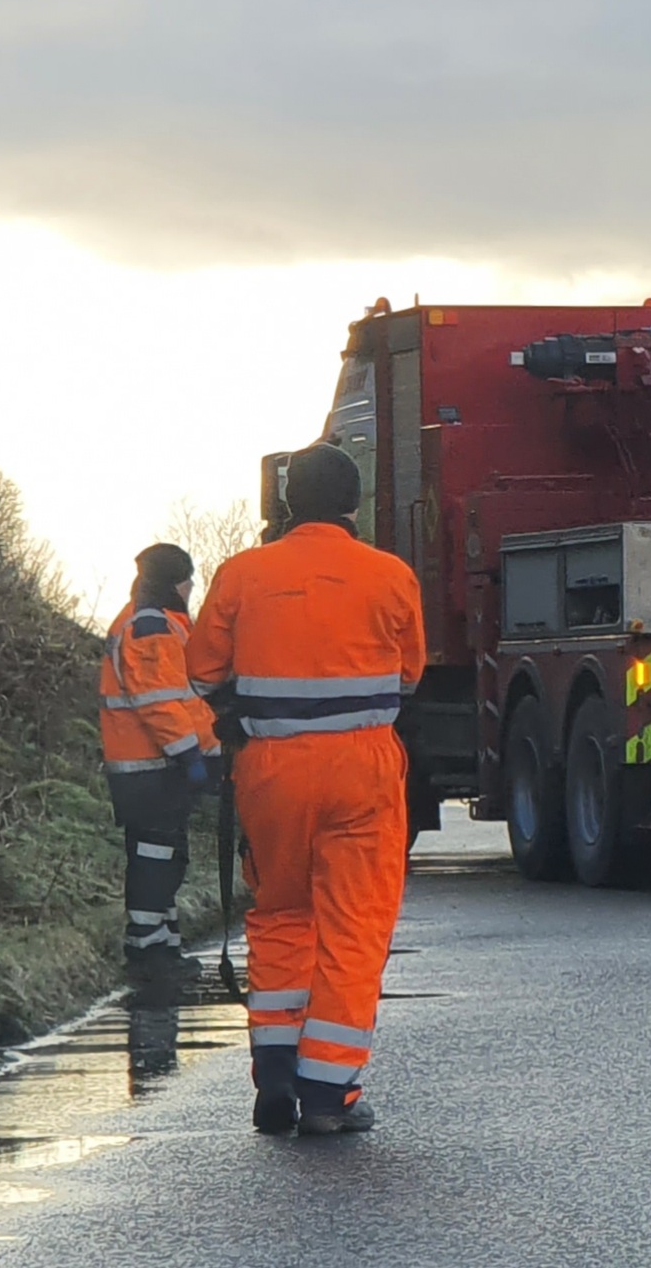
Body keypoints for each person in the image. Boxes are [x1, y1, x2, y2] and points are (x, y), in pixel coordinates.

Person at [187, 443, 424, 1136]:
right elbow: (409, 677)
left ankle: (277, 1073)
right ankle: (328, 1093)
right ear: (353, 505)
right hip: (362, 769)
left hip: (271, 767)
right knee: (354, 925)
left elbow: (202, 670)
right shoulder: (390, 576)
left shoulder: (243, 573)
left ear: (289, 503)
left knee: (281, 910)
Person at [98, 542, 220, 992]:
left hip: (148, 766)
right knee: (155, 859)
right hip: (150, 768)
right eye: (188, 578)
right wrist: (191, 755)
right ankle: (148, 952)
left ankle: (162, 946)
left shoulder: (154, 620)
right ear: (176, 581)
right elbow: (160, 703)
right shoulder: (150, 626)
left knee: (165, 857)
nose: (191, 587)